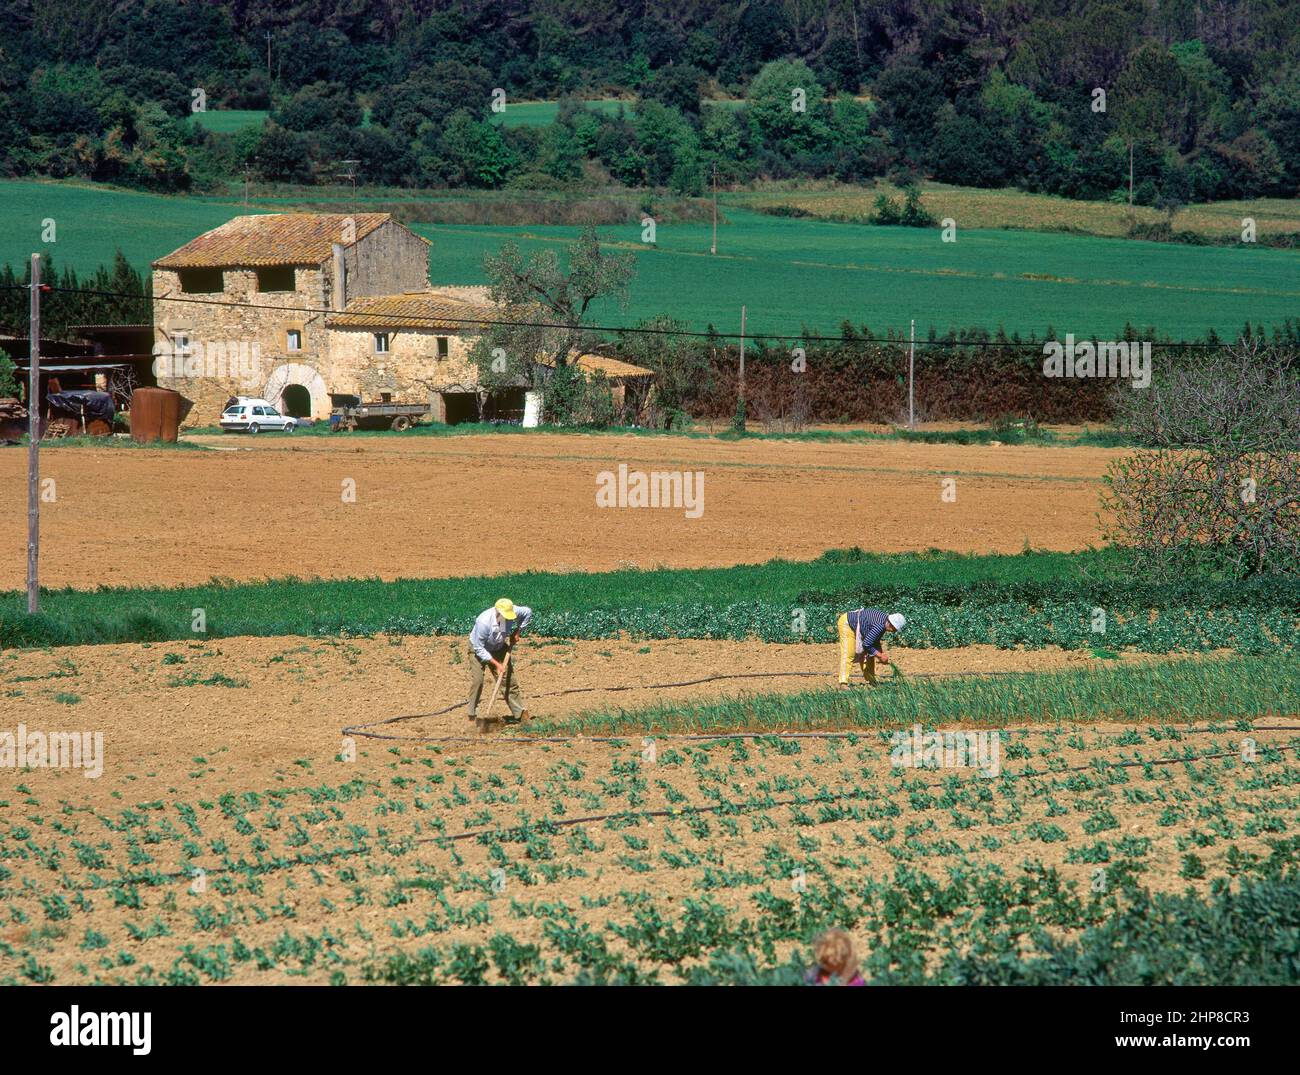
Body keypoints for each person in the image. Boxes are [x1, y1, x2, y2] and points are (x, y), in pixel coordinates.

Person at [467, 598, 532, 723]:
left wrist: (518, 631)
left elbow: (528, 612)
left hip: (499, 646)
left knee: (508, 680)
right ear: (497, 612)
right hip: (478, 649)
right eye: (505, 616)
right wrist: (497, 664)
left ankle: (520, 714)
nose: (508, 618)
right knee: (478, 681)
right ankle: (472, 715)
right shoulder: (483, 622)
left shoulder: (513, 610)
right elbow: (479, 648)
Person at [837, 608, 905, 685]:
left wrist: (880, 654)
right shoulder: (880, 626)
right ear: (891, 624)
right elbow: (866, 644)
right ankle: (843, 682)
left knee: (870, 654)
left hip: (860, 625)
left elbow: (875, 642)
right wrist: (880, 655)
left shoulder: (884, 623)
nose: (894, 631)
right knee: (849, 653)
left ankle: (871, 679)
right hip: (847, 623)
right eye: (895, 629)